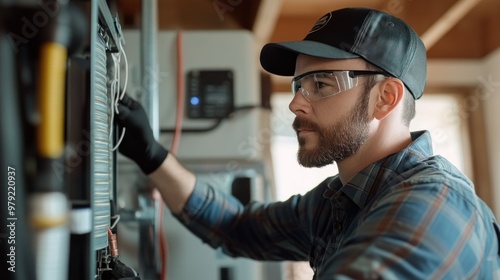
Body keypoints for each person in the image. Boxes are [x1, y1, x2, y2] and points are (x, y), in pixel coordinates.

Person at [116, 7, 500, 279]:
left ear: (385, 98)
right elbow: (236, 226)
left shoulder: (435, 208)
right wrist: (151, 155)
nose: (295, 102)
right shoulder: (341, 199)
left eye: (321, 84)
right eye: (299, 85)